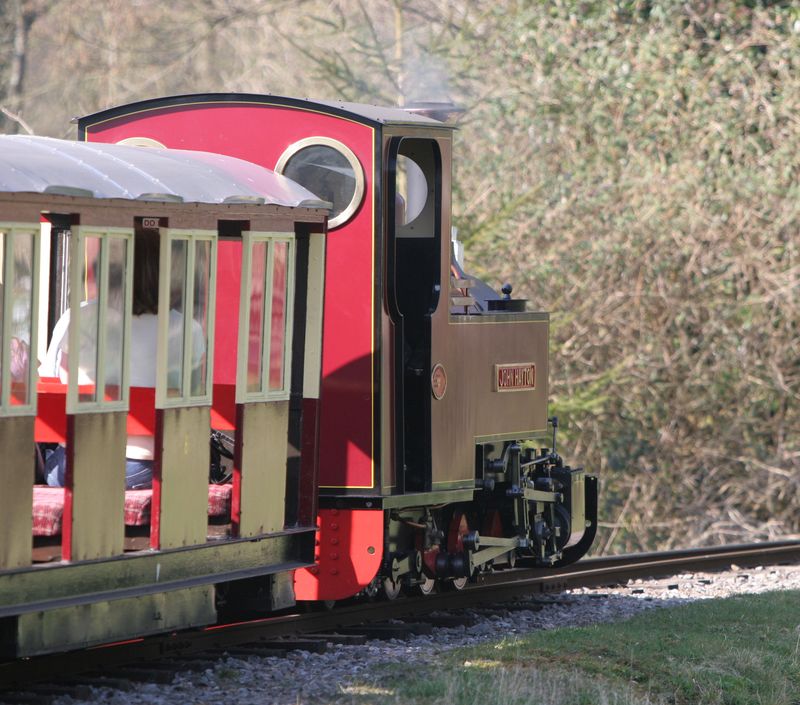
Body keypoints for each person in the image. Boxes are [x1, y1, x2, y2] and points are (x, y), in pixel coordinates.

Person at [39, 229, 206, 489]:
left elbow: (53, 385)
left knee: (42, 459)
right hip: (145, 469)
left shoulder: (78, 317)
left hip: (80, 463)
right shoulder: (189, 330)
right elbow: (191, 408)